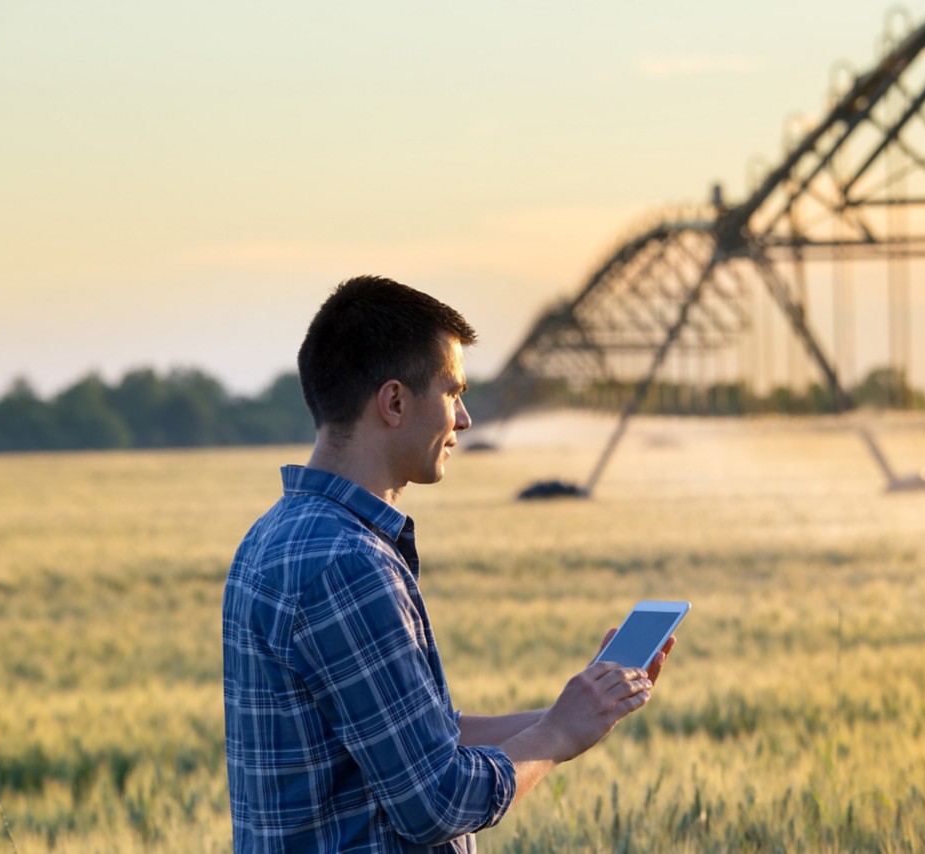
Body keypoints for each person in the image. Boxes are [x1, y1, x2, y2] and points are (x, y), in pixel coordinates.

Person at [222, 275, 675, 852]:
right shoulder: (348, 564)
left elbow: (419, 739)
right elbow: (436, 803)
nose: (463, 419)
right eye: (452, 392)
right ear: (393, 402)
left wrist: (582, 707)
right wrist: (557, 735)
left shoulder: (271, 537)